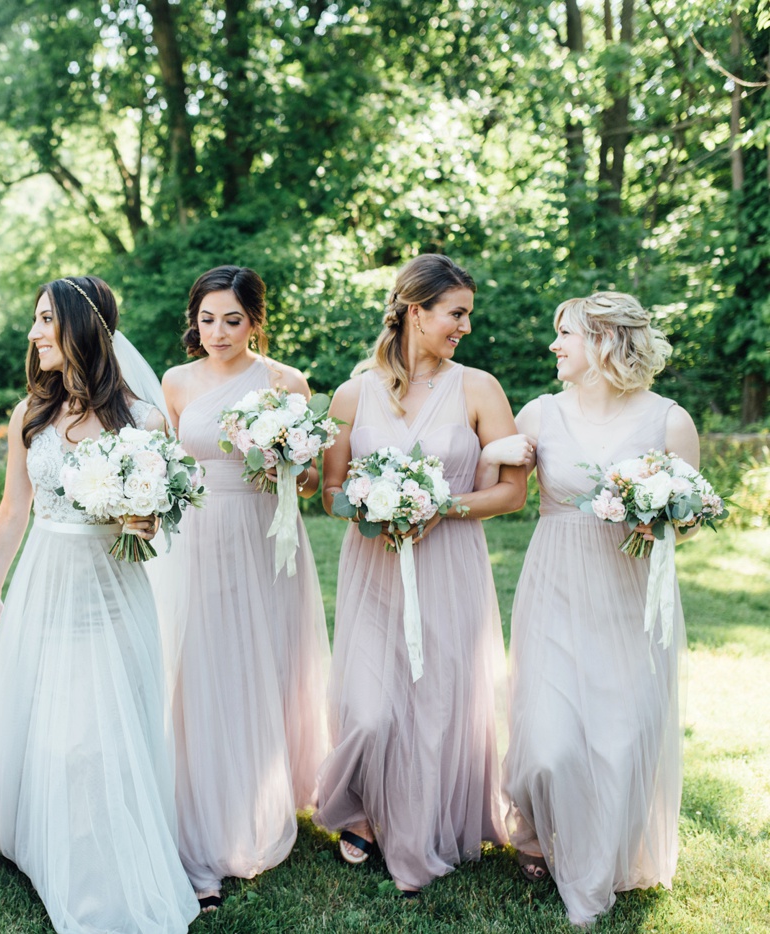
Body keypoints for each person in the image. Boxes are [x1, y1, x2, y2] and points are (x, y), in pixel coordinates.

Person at [0, 276, 199, 933]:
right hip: (45, 578)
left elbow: (165, 513)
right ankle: (42, 838)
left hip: (110, 586)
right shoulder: (29, 414)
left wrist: (146, 522)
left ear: (82, 327)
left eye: (44, 319)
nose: (34, 333)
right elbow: (14, 510)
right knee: (50, 718)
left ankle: (101, 864)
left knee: (97, 730)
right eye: (34, 320)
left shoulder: (143, 420)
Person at [312, 254, 526, 894]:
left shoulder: (479, 387)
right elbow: (329, 493)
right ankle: (360, 804)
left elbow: (513, 493)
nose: (464, 326)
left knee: (436, 706)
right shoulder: (353, 394)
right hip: (374, 569)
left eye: (466, 315)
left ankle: (411, 822)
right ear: (415, 310)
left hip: (449, 564)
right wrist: (375, 507)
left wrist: (441, 506)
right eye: (455, 313)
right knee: (371, 710)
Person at [485, 292, 695, 926]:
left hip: (629, 593)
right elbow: (501, 483)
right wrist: (497, 453)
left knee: (621, 734)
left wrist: (659, 519)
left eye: (566, 335)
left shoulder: (668, 420)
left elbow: (687, 515)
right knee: (548, 742)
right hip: (555, 583)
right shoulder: (542, 414)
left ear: (603, 341)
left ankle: (595, 856)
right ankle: (542, 834)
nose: (555, 346)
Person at [157, 266, 331, 909]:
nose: (218, 332)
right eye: (207, 320)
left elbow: (309, 481)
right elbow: (170, 466)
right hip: (197, 539)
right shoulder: (176, 383)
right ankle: (202, 812)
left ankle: (258, 797)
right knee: (201, 667)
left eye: (232, 320)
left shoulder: (285, 382)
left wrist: (289, 464)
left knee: (262, 662)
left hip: (263, 538)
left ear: (255, 321)